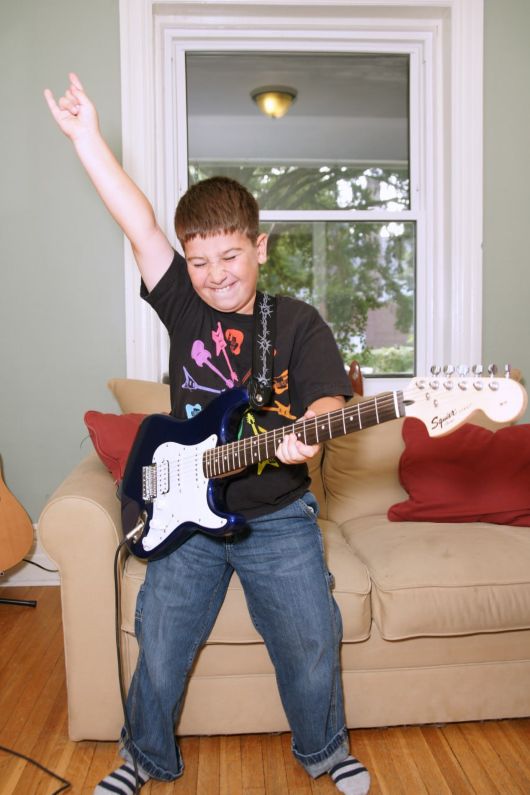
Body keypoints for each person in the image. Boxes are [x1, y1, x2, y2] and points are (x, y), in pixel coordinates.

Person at [44, 73, 371, 795]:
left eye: (230, 256)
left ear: (259, 246)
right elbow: (139, 223)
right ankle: (144, 757)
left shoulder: (296, 322)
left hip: (278, 514)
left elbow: (324, 401)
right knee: (157, 641)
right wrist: (86, 138)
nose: (215, 275)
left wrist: (307, 436)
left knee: (312, 638)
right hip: (185, 517)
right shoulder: (186, 310)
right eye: (199, 261)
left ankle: (322, 749)